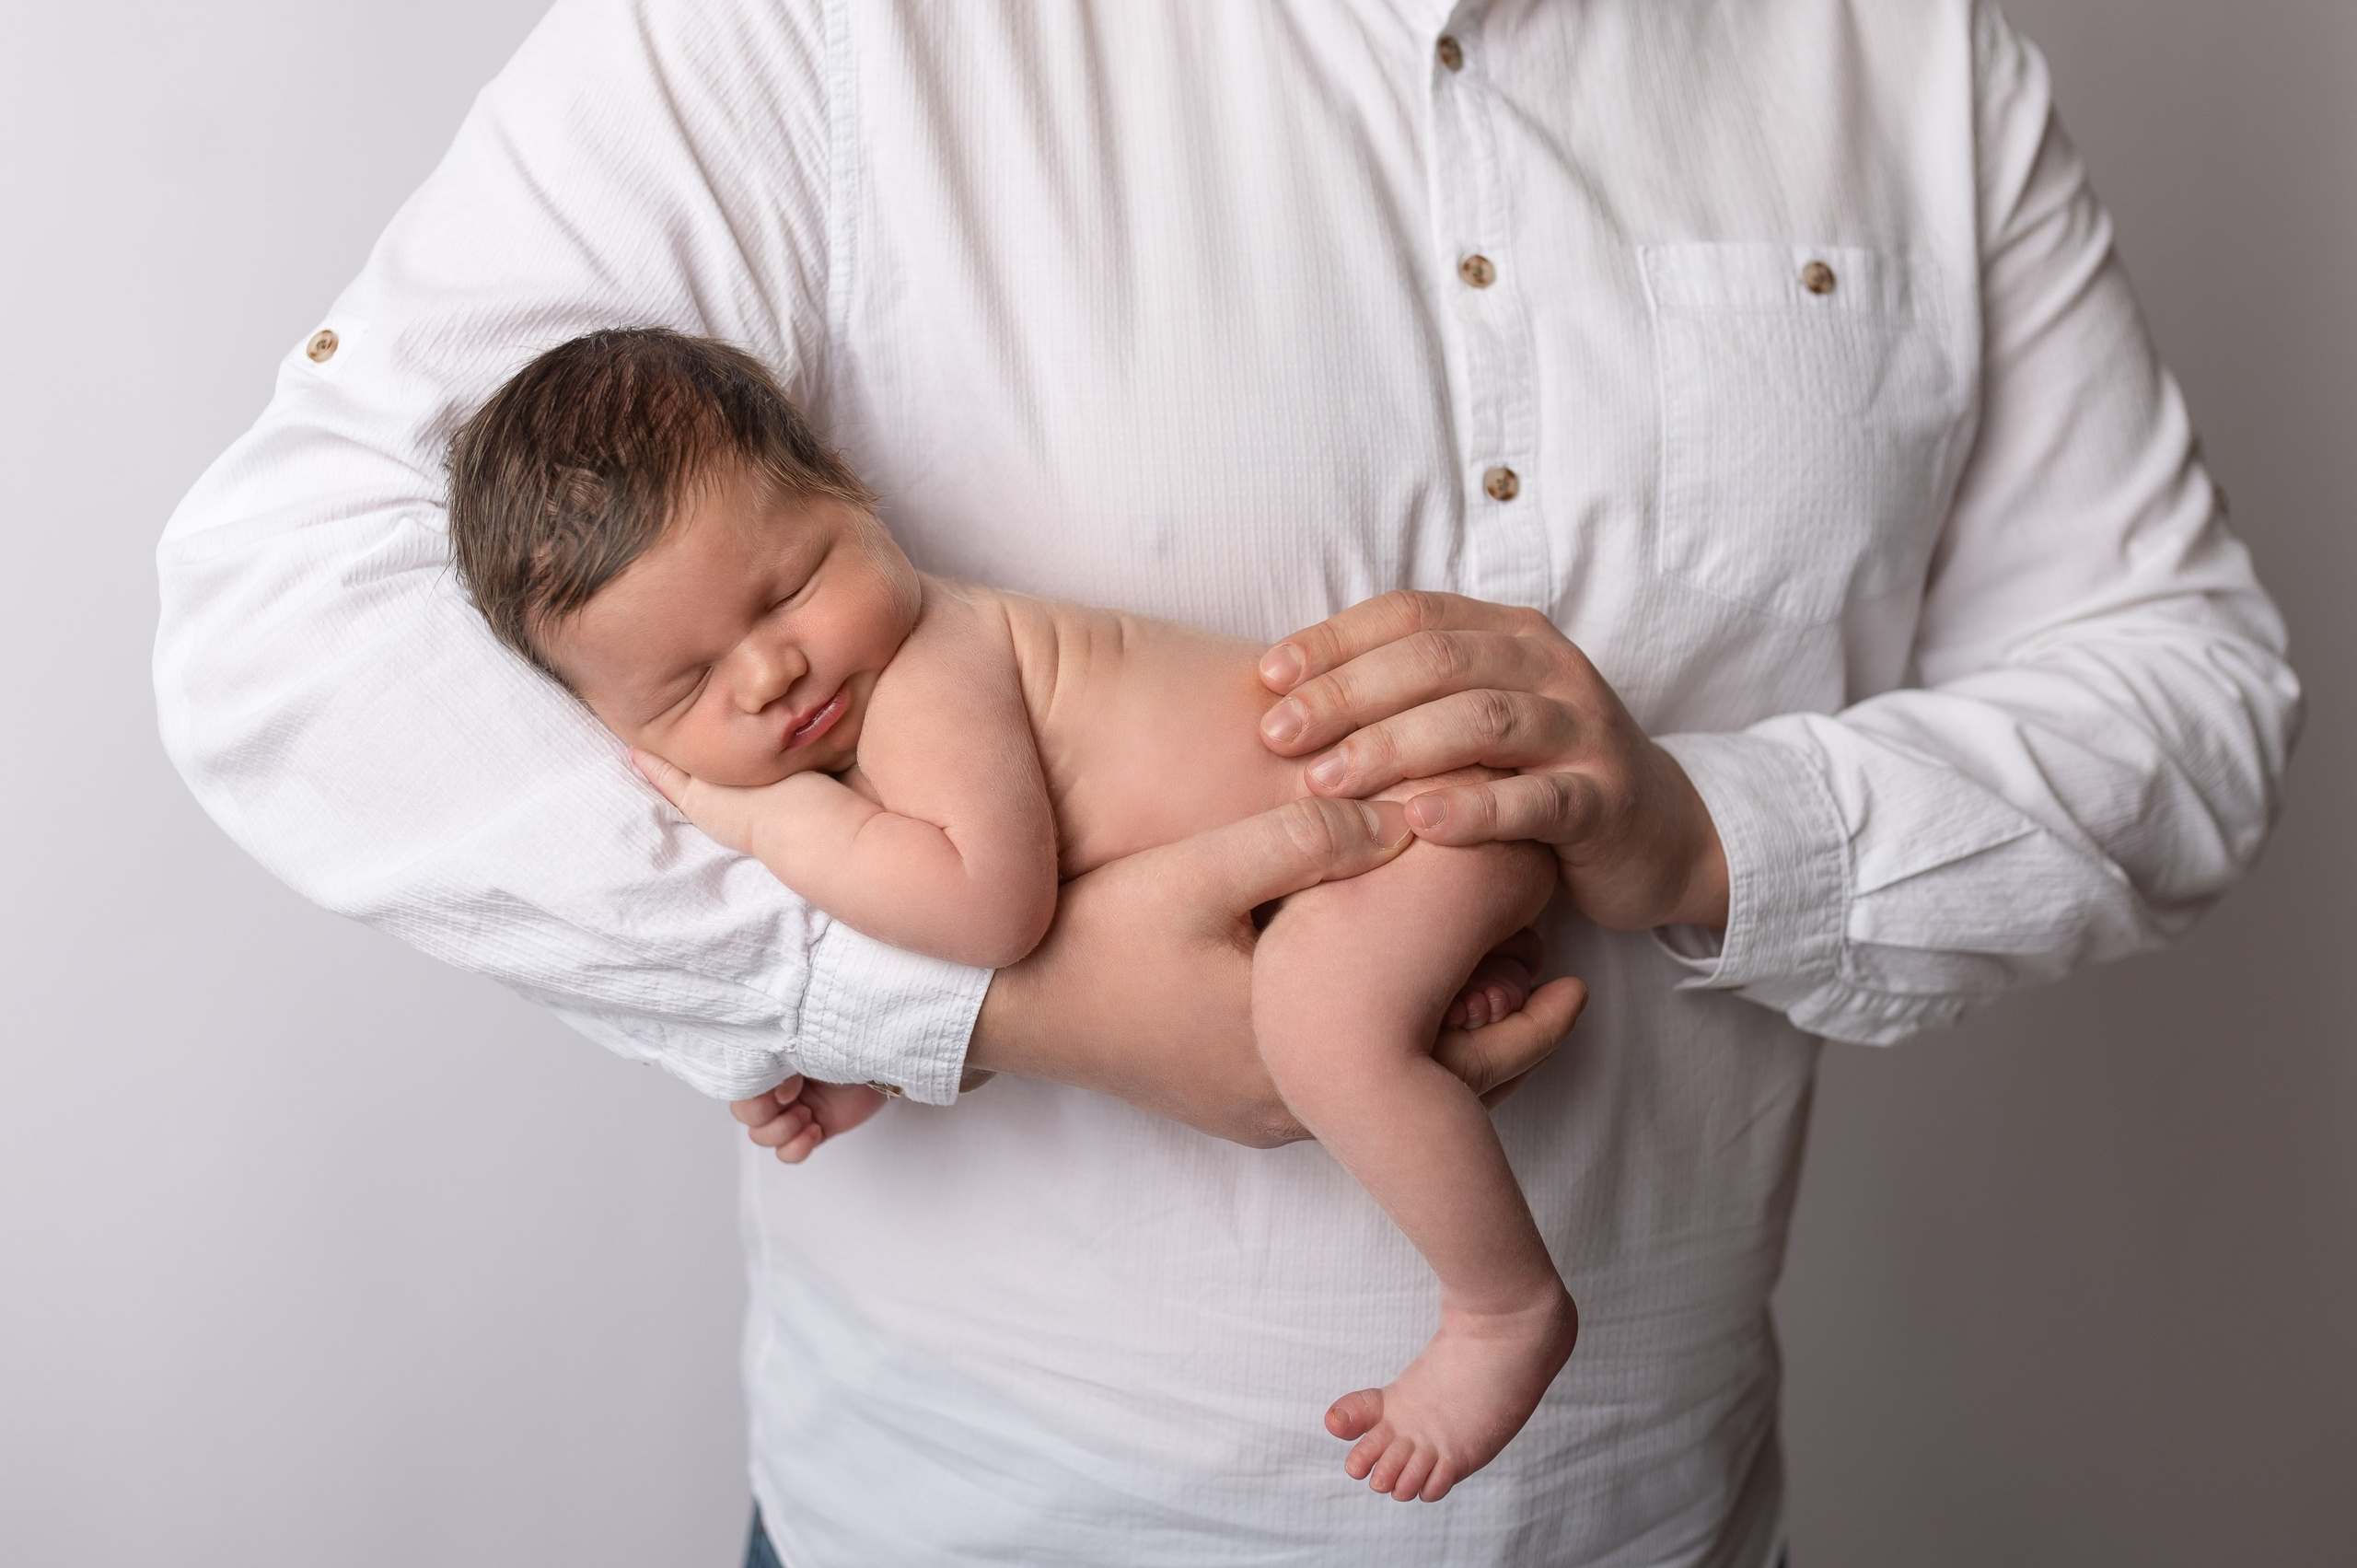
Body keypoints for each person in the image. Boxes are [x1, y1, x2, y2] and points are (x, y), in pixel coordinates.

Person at [153, 3, 2298, 1564]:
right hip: (982, 1526)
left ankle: (1495, 1301)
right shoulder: (806, 35)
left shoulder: (1907, 59)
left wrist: (1703, 827)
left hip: (1656, 1515)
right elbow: (286, 623)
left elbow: (2186, 697)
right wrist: (954, 1008)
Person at [447, 326, 1581, 1499]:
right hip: (1371, 877)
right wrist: (875, 1059)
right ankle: (1445, 980)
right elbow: (1051, 973)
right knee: (1330, 991)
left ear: (848, 491)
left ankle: (1505, 1305)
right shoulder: (861, 732)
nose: (768, 671)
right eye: (686, 686)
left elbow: (990, 918)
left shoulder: (928, 669)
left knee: (1314, 1022)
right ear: (618, 730)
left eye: (787, 588)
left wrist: (773, 824)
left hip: (1411, 822)